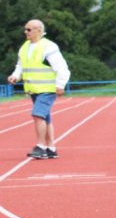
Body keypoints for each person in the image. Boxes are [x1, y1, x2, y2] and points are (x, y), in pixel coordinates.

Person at [7, 19, 71, 160]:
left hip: (47, 89)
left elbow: (62, 68)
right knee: (45, 119)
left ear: (39, 30)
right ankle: (51, 149)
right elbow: (20, 66)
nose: (26, 32)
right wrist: (15, 76)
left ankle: (41, 146)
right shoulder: (25, 46)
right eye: (25, 29)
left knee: (37, 115)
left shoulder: (49, 47)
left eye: (29, 29)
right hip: (33, 89)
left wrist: (60, 85)